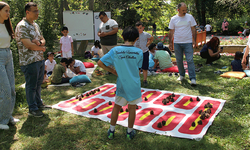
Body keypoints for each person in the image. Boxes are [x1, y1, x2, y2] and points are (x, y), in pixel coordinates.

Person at [97, 26, 143, 140]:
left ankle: (111, 131)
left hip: (122, 85)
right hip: (134, 85)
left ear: (122, 37)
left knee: (116, 107)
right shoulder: (139, 52)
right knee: (132, 108)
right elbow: (139, 69)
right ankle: (129, 132)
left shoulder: (115, 50)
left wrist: (112, 71)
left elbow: (100, 63)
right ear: (137, 38)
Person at [15, 2, 48, 117]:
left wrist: (38, 43)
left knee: (38, 83)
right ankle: (32, 108)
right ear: (27, 12)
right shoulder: (22, 26)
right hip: (29, 61)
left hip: (39, 59)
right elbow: (28, 45)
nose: (37, 13)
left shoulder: (35, 25)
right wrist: (41, 47)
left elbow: (42, 39)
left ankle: (38, 103)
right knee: (31, 85)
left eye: (38, 10)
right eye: (35, 11)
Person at [0, 1, 20, 130]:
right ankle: (2, 120)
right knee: (4, 90)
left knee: (12, 88)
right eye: (6, 11)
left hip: (8, 55)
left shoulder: (7, 25)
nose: (8, 13)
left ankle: (8, 115)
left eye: (9, 11)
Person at [169, 2, 197, 86]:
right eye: (183, 10)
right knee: (179, 60)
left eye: (186, 10)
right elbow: (171, 31)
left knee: (190, 60)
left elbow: (194, 29)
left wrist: (194, 41)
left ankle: (192, 78)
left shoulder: (190, 17)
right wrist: (170, 42)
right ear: (178, 10)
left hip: (188, 42)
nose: (185, 11)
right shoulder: (173, 19)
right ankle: (181, 75)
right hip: (177, 42)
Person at [134, 21, 154, 86]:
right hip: (136, 53)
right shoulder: (134, 34)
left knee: (145, 68)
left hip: (144, 52)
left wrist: (148, 43)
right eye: (137, 28)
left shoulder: (145, 34)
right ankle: (137, 80)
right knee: (137, 68)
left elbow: (151, 38)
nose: (139, 30)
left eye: (140, 28)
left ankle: (145, 80)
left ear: (143, 28)